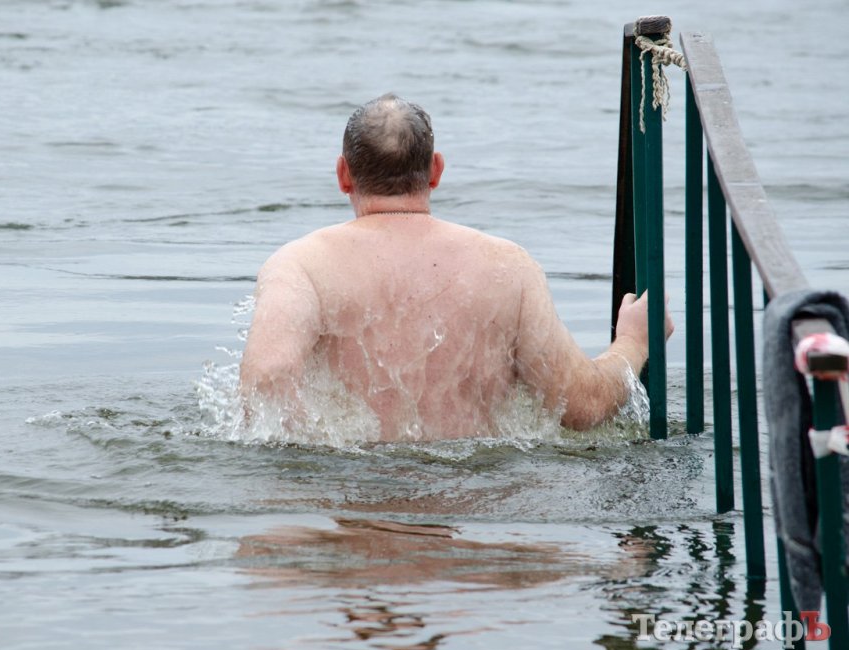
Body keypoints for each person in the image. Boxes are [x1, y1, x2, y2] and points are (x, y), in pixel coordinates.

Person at [239, 93, 673, 441]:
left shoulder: (300, 264)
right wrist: (634, 342)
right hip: (474, 505)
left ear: (343, 175)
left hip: (352, 499)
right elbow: (581, 406)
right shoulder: (507, 266)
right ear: (436, 170)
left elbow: (267, 379)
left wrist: (317, 459)